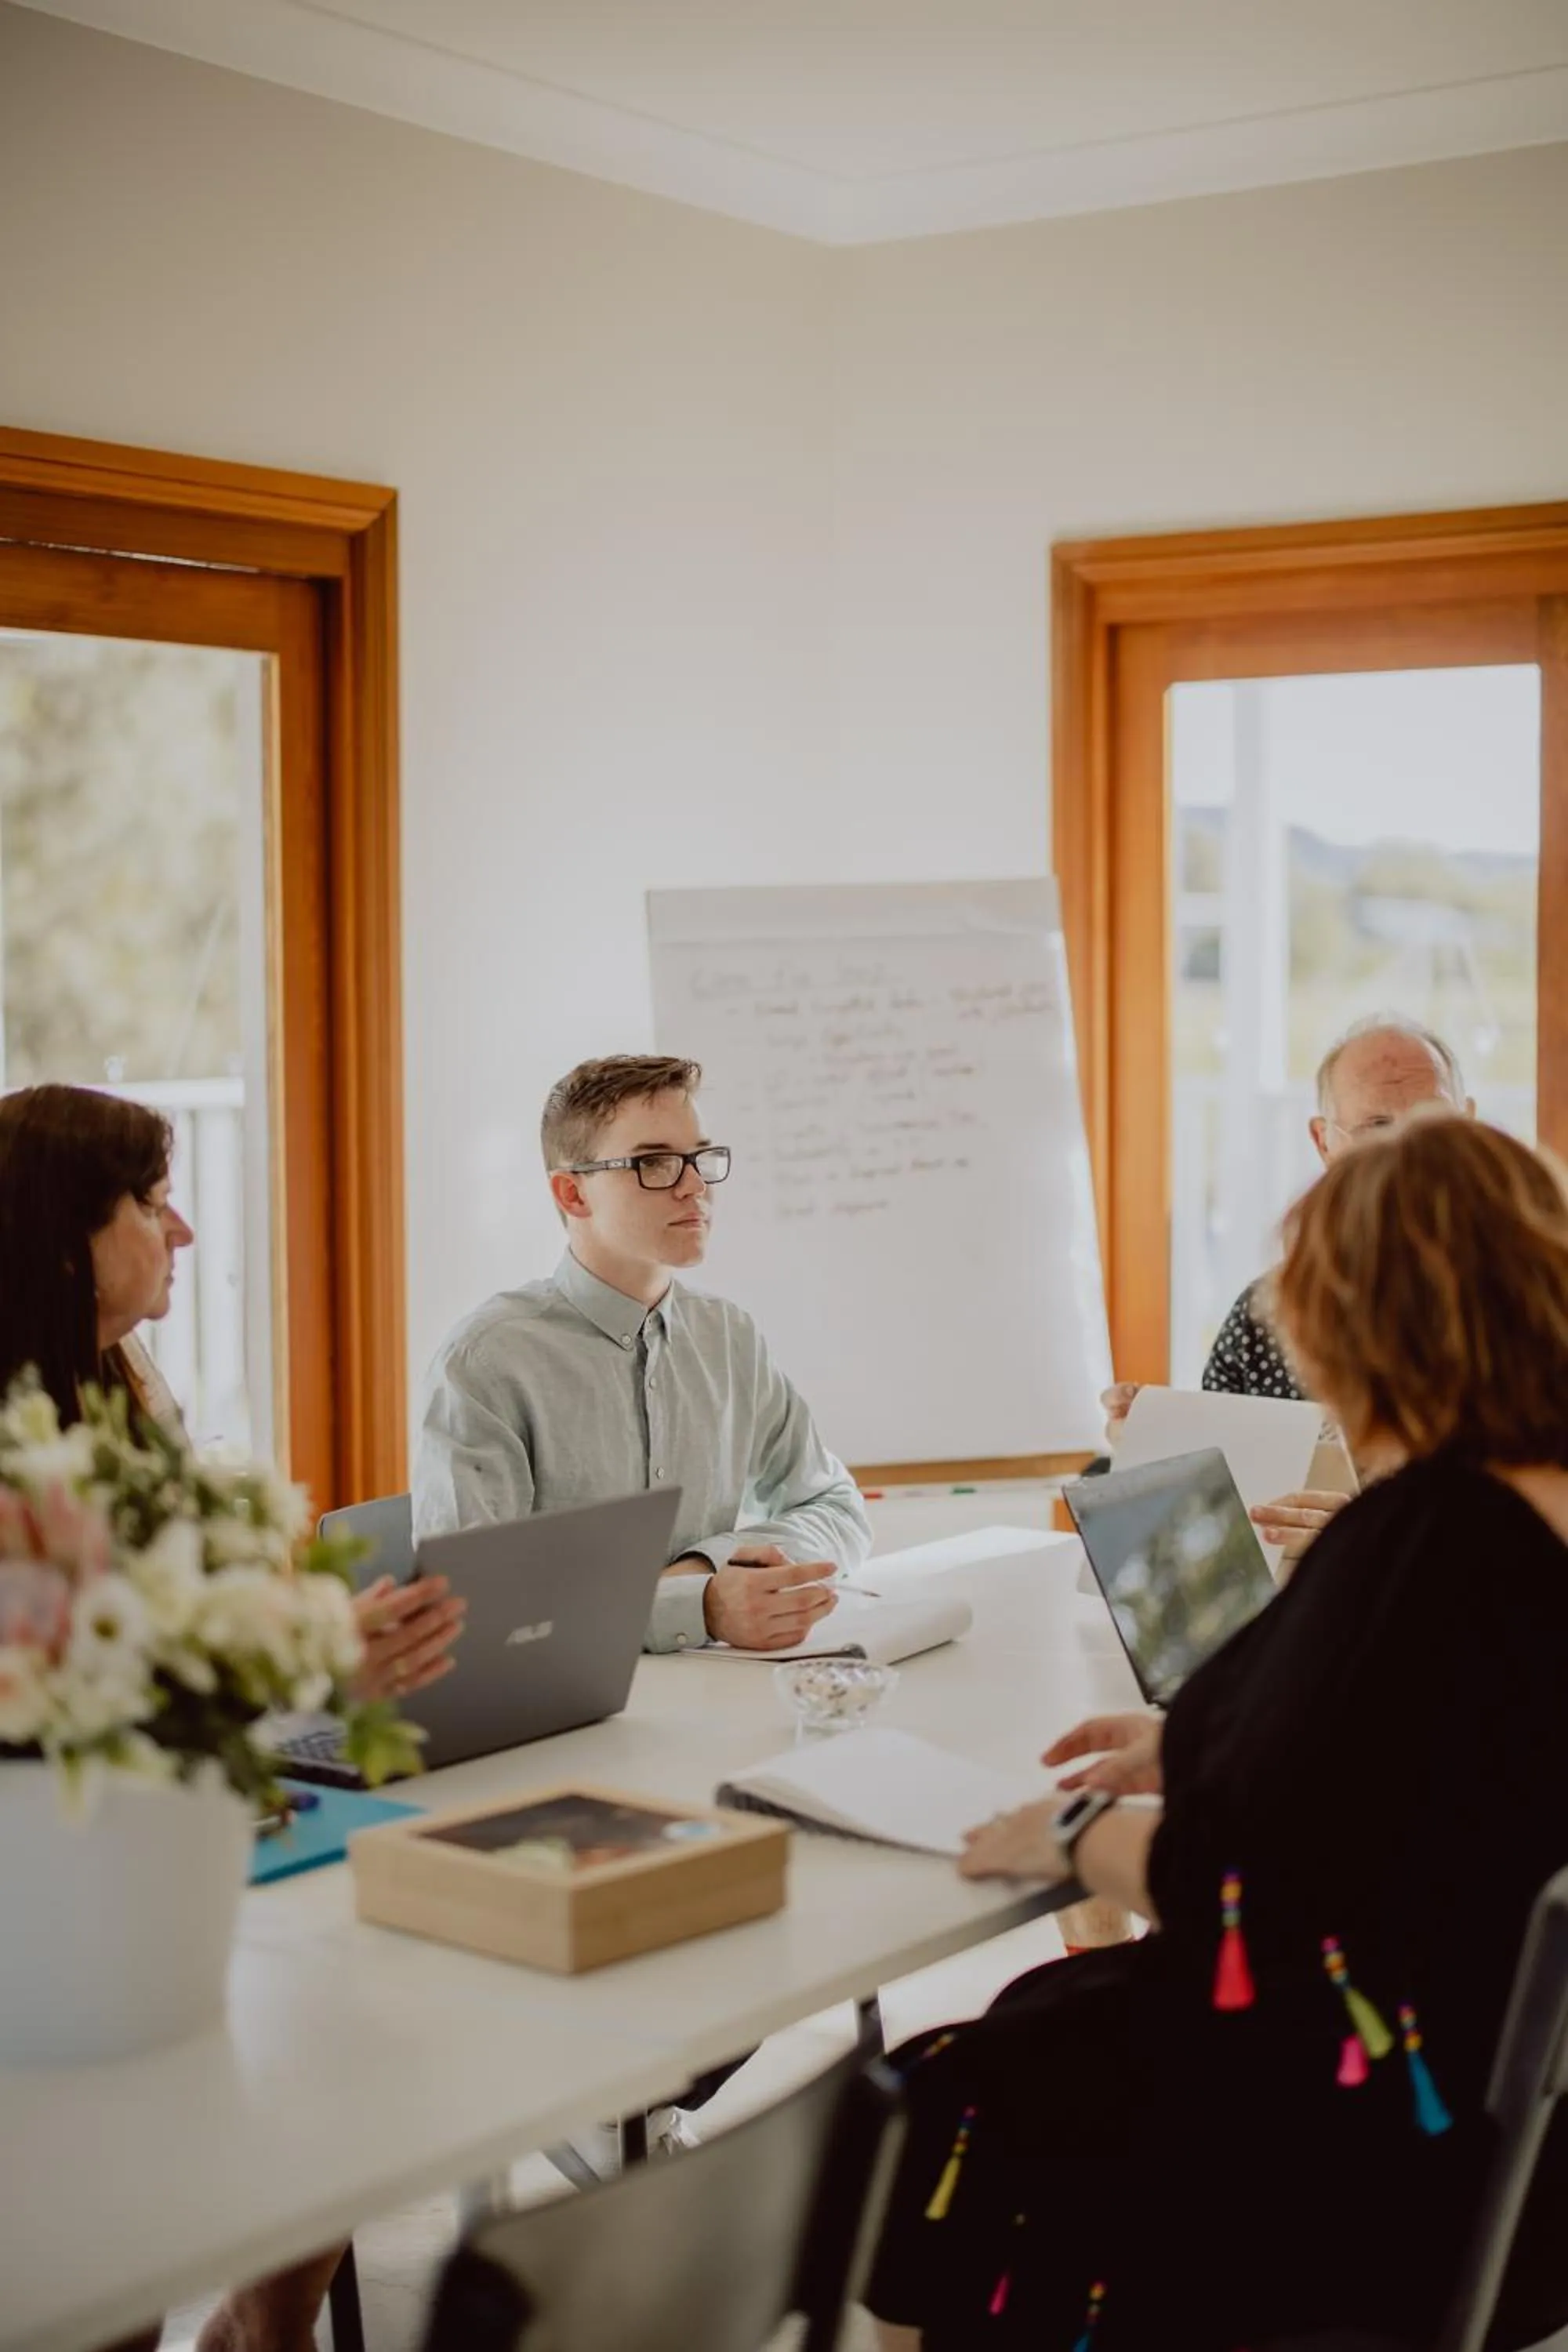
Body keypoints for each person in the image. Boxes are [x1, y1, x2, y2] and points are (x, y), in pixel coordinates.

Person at [867, 1112, 1568, 2352]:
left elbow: (1242, 1882)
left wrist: (1078, 1833)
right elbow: (1412, 1766)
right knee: (1043, 2006)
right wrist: (1192, 1750)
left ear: (1363, 1323)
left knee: (924, 2099)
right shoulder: (1524, 1514)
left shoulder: (1424, 1535)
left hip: (1350, 2157)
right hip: (1501, 2135)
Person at [0, 1083, 465, 2352]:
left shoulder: (122, 1382)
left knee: (346, 2051)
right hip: (52, 1898)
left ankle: (262, 2332)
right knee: (114, 2245)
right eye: (153, 1204)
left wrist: (323, 1663)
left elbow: (178, 1653)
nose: (186, 1234)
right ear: (61, 1238)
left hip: (168, 1838)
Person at [415, 1053, 871, 1650]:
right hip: (554, 1717)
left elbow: (836, 1507)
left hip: (713, 1700)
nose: (694, 1185)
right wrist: (692, 1609)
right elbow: (473, 1604)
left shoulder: (729, 1337)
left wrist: (704, 1571)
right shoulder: (487, 1361)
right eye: (653, 1162)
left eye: (699, 1157)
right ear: (573, 1193)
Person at [1103, 1013, 1473, 1562]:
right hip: (1299, 1615)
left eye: (1430, 1122)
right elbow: (1212, 1523)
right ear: (1326, 1142)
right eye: (1376, 1128)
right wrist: (1154, 1445)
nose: (1407, 1154)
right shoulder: (1265, 1315)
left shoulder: (1527, 1303)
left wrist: (1368, 1537)